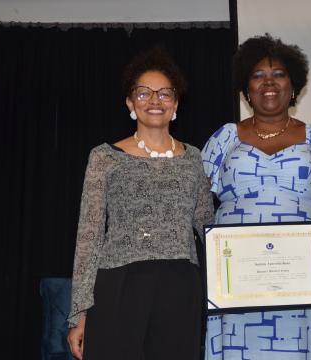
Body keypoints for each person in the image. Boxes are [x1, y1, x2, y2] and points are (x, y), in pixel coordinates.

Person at [201, 34, 311, 360]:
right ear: (246, 89)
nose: (268, 83)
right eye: (257, 75)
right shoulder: (223, 139)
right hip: (236, 280)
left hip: (300, 276)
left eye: (278, 74)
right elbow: (194, 204)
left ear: (293, 86)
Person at [66, 47, 214, 360]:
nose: (155, 100)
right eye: (144, 93)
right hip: (118, 286)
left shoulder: (194, 158)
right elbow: (89, 236)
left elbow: (209, 229)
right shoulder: (104, 157)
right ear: (130, 103)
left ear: (176, 103)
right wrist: (79, 312)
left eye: (164, 93)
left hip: (180, 287)